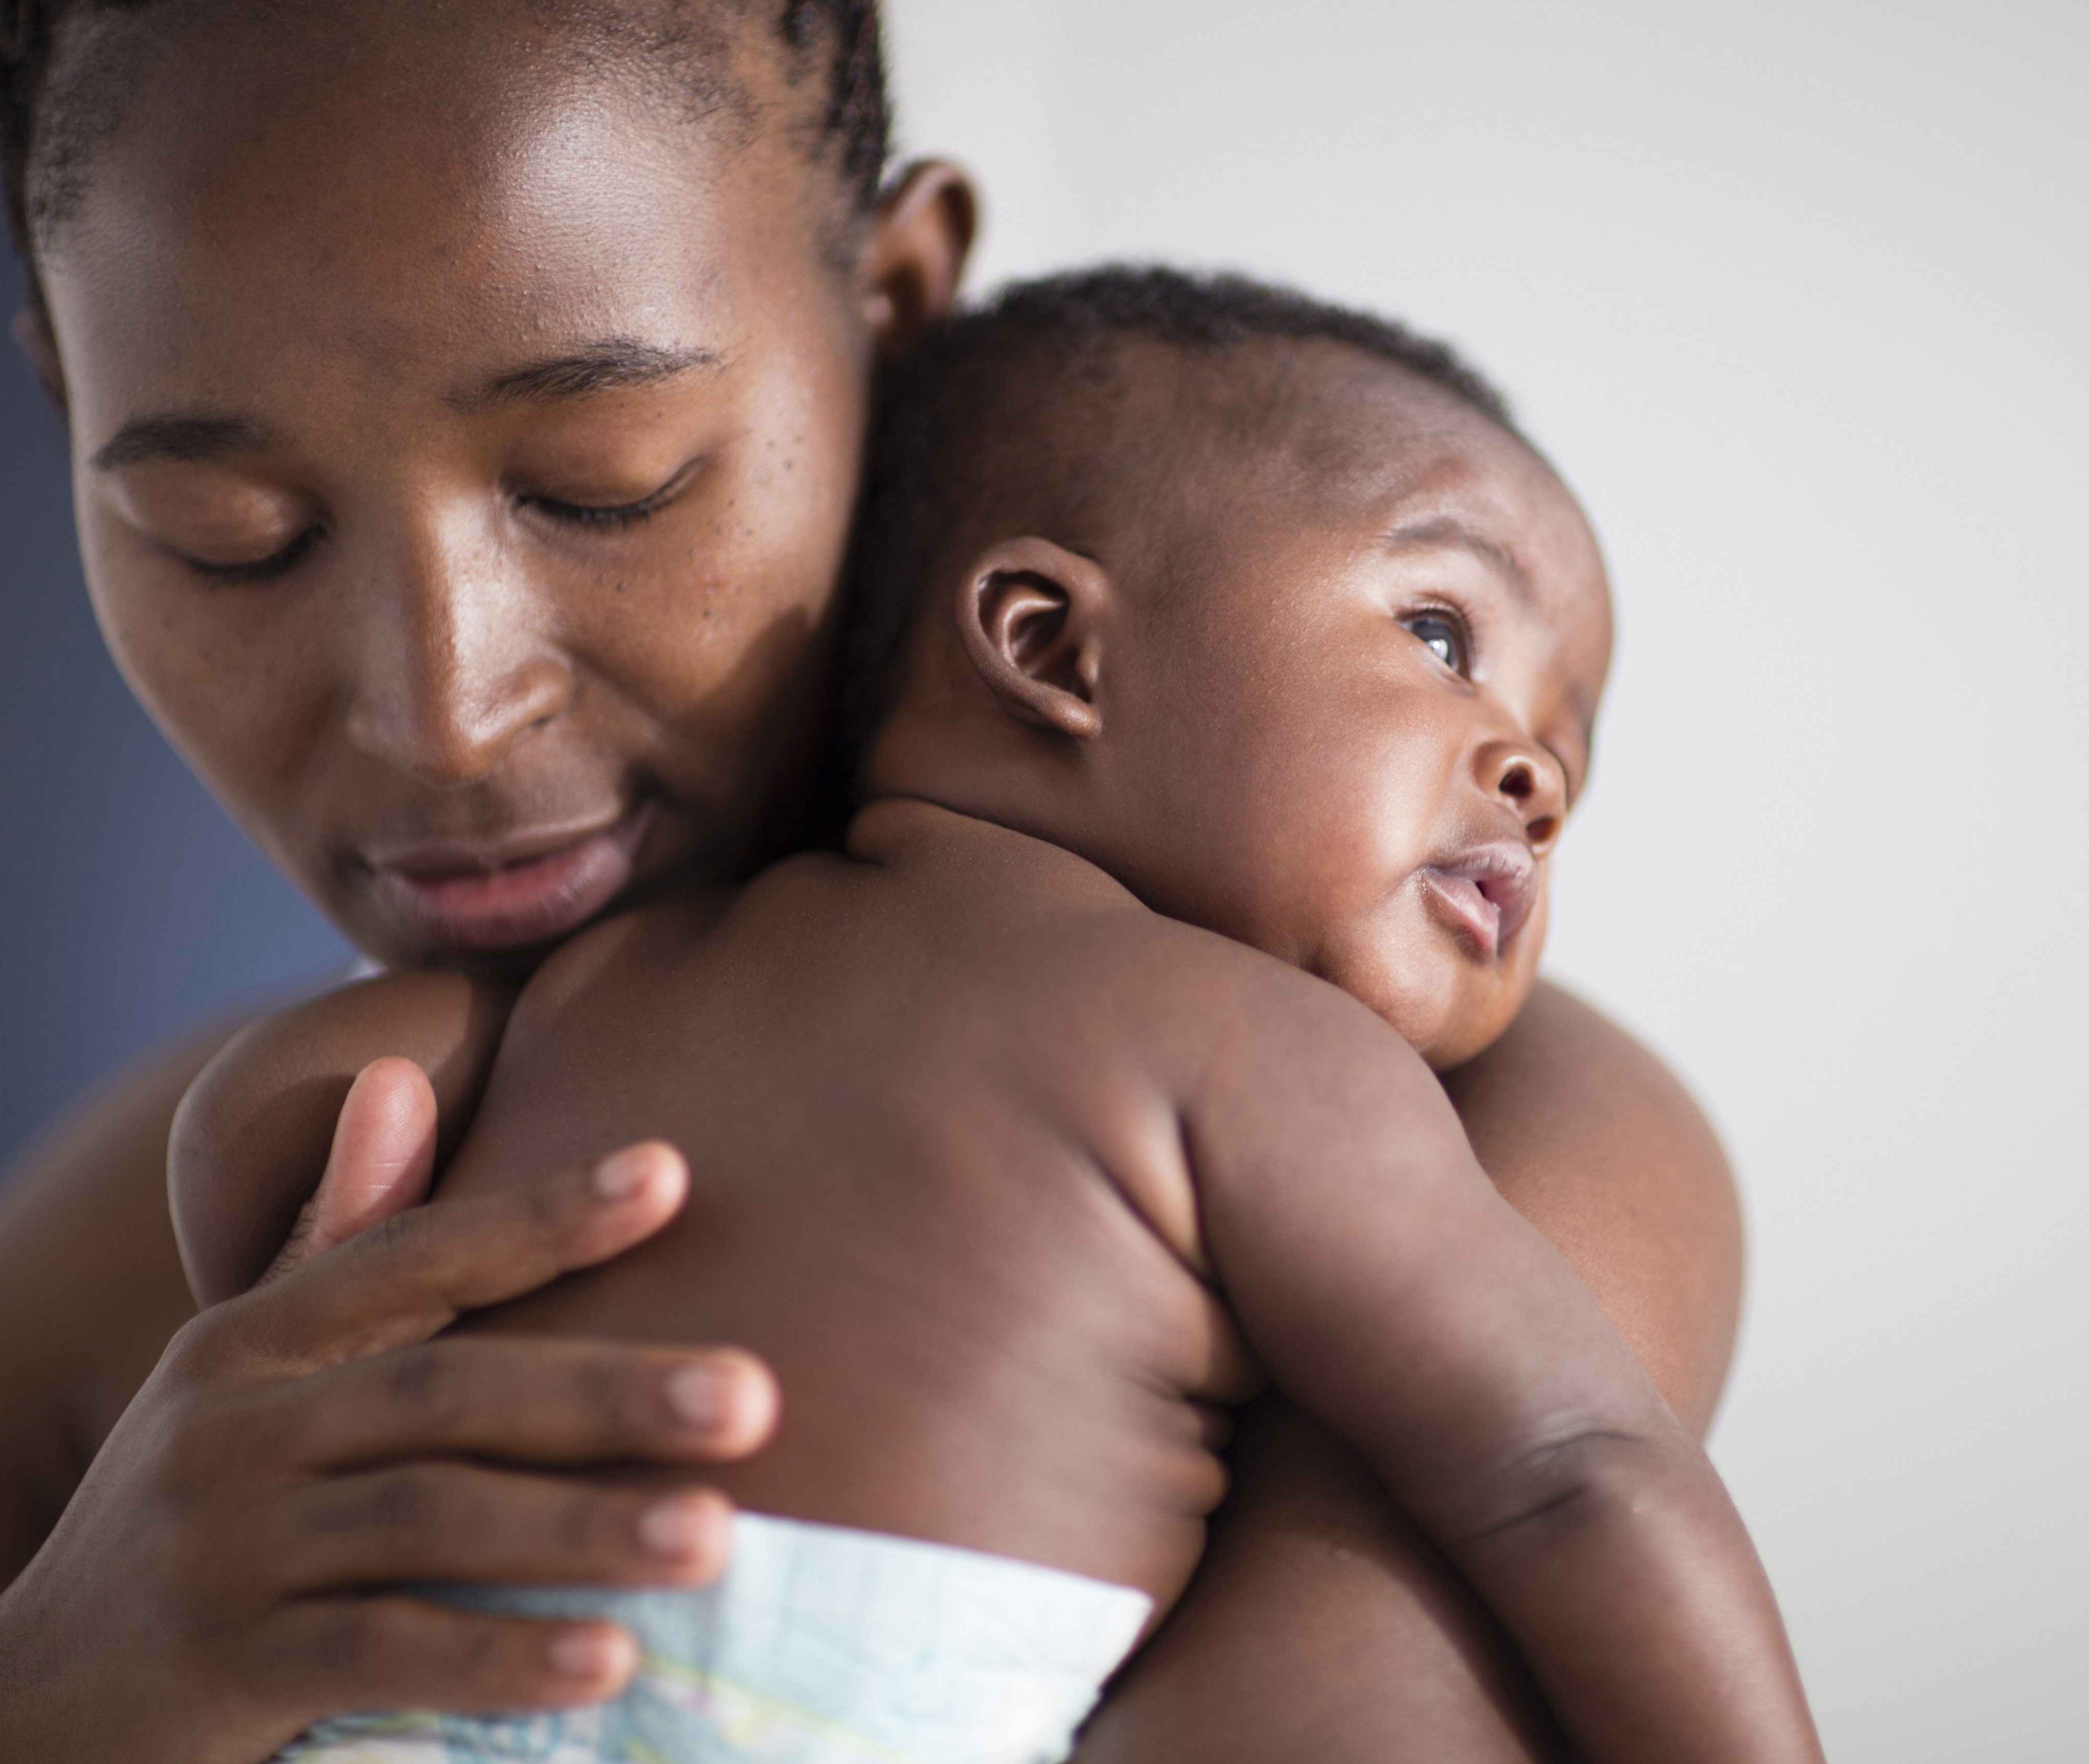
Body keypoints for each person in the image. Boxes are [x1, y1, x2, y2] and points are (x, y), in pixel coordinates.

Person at [0, 4, 1747, 1759]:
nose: (441, 711)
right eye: (226, 534)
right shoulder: (129, 1231)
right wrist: (13, 1706)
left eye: (607, 479)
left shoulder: (1478, 1130)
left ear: (896, 304)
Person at [170, 268, 1821, 1764]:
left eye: (1565, 758)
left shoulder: (614, 977)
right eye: (1443, 633)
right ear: (1051, 647)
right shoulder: (1256, 1051)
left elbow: (269, 1114)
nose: (1532, 780)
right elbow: (1572, 1470)